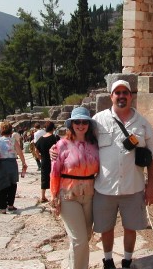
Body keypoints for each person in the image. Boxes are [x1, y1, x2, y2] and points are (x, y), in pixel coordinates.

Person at [94, 80, 153, 269]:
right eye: (117, 93)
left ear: (131, 96)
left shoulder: (143, 123)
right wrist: (56, 149)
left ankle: (127, 261)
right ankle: (107, 260)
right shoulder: (98, 120)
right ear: (111, 96)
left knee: (130, 227)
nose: (121, 96)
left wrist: (151, 186)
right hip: (105, 187)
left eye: (125, 93)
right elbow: (80, 142)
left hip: (133, 186)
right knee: (106, 227)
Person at [50, 107, 99, 269]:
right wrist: (54, 195)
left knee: (84, 237)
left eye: (84, 121)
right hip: (68, 194)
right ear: (71, 124)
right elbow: (54, 172)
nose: (80, 125)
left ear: (88, 124)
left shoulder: (95, 145)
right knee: (79, 240)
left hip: (89, 194)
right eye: (77, 121)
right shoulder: (61, 145)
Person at [0, 120, 27, 214]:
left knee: (0, 185)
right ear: (10, 130)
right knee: (12, 184)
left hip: (0, 164)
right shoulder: (13, 141)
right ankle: (10, 205)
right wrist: (24, 163)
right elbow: (20, 152)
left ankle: (2, 207)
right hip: (12, 164)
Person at [35, 121, 59, 202]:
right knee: (54, 177)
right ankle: (54, 195)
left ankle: (43, 196)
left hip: (44, 160)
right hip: (54, 160)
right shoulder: (55, 138)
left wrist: (39, 157)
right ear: (53, 128)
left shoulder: (41, 139)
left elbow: (36, 150)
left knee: (44, 177)